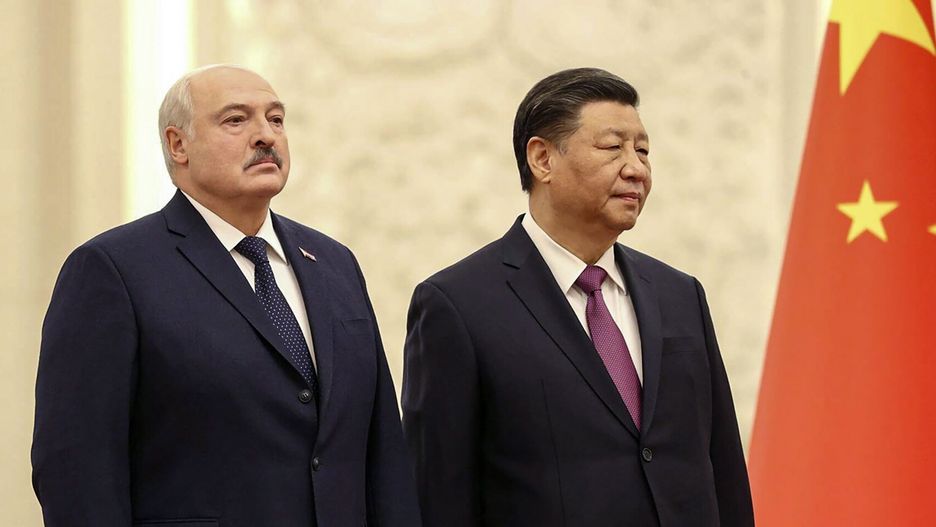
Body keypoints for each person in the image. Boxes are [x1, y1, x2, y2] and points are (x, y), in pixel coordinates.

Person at [32, 65, 421, 527]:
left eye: (276, 119)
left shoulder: (335, 263)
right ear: (178, 145)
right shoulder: (113, 270)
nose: (265, 136)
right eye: (236, 120)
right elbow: (76, 471)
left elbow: (383, 453)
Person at [402, 67, 754, 526]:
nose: (636, 168)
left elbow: (723, 468)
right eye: (612, 148)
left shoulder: (680, 295)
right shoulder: (458, 306)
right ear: (542, 159)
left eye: (643, 150)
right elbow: (439, 496)